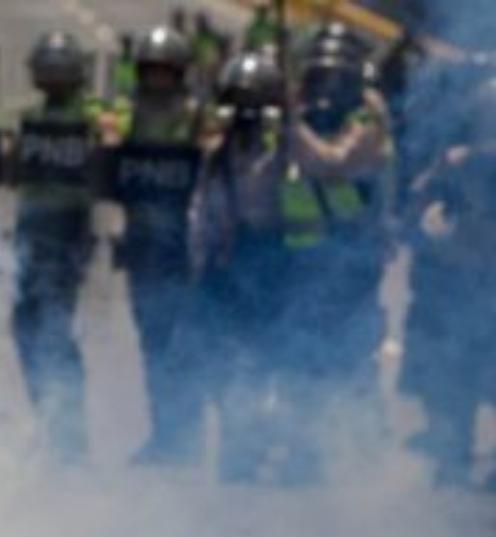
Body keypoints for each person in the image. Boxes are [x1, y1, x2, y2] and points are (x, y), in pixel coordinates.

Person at [278, 39, 394, 475]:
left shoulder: (364, 125)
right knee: (303, 354)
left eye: (335, 79)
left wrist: (293, 128)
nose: (326, 88)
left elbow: (331, 165)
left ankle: (360, 448)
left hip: (352, 259)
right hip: (309, 259)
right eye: (318, 78)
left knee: (348, 356)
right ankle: (308, 448)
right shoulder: (311, 121)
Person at [195, 51, 293, 484]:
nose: (247, 114)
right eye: (240, 103)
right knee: (226, 359)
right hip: (229, 265)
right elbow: (202, 214)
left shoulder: (285, 153)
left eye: (257, 103)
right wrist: (201, 265)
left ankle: (269, 432)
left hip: (272, 261)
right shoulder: (216, 155)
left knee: (270, 358)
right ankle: (238, 440)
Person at [111, 25, 208, 466]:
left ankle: (185, 430)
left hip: (182, 247)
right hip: (140, 244)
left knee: (183, 345)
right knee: (150, 342)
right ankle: (163, 434)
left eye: (166, 73)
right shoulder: (125, 115)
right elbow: (105, 158)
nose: (158, 81)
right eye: (151, 72)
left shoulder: (195, 116)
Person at [400, 77, 496, 489]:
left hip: (478, 278)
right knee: (455, 369)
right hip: (461, 278)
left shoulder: (462, 162)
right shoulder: (455, 163)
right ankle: (452, 447)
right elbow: (416, 211)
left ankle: (456, 449)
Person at [12, 31, 104, 461]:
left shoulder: (92, 120)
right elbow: (15, 172)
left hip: (68, 231)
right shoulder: (30, 118)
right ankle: (50, 419)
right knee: (26, 328)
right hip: (32, 232)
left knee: (56, 329)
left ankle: (69, 427)